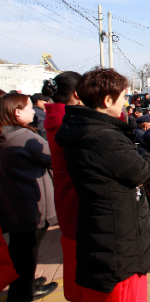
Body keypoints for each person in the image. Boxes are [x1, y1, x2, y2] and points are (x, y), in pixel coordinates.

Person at [55, 68, 150, 299]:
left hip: (103, 225)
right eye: (123, 97)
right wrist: (147, 153)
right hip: (117, 237)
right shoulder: (104, 138)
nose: (125, 103)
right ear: (107, 100)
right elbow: (141, 171)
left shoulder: (81, 128)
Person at [0, 93, 59, 301]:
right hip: (31, 205)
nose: (33, 111)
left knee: (19, 251)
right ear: (17, 112)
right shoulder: (24, 137)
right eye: (28, 108)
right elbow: (52, 158)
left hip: (11, 204)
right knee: (26, 254)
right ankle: (23, 291)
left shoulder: (5, 135)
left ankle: (26, 284)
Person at [43, 72, 87, 302]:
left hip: (65, 195)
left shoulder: (56, 117)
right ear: (77, 94)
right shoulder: (69, 123)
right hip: (76, 198)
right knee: (82, 262)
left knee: (74, 256)